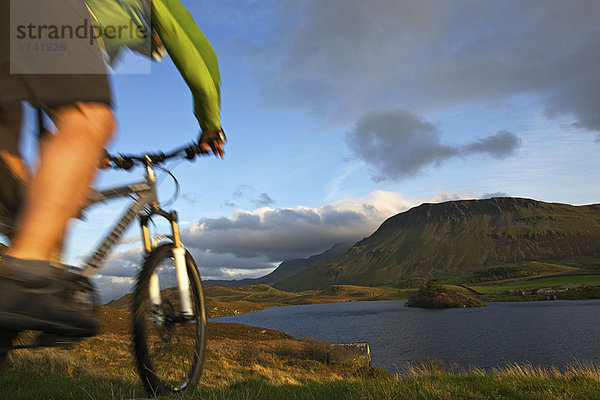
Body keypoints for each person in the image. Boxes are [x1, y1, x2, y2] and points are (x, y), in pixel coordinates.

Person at [0, 0, 224, 337]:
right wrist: (211, 123)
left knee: (11, 127)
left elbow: (51, 80)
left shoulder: (108, 34)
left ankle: (21, 254)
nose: (155, 50)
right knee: (95, 121)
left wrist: (82, 144)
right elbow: (197, 53)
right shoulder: (150, 7)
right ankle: (23, 276)